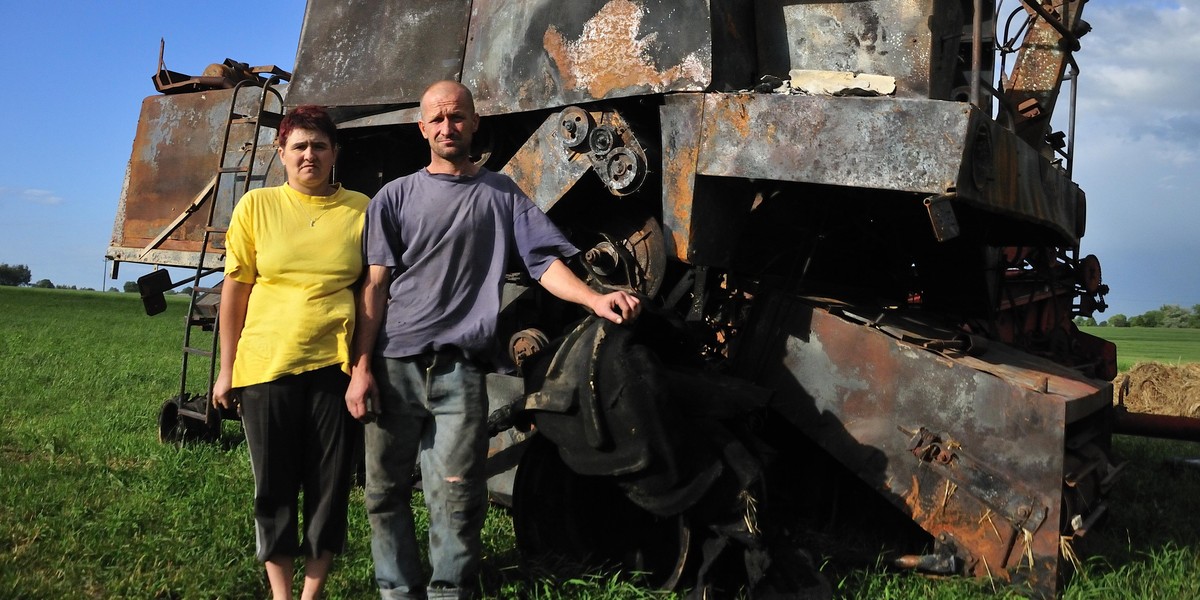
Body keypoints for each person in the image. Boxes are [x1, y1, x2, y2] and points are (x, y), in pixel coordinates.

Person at [345, 80, 641, 599]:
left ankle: (448, 593)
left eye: (456, 116)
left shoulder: (501, 194)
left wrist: (595, 299)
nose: (446, 126)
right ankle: (396, 592)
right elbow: (374, 287)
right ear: (422, 128)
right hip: (394, 365)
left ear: (475, 122)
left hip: (459, 370)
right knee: (384, 493)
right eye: (436, 118)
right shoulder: (394, 197)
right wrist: (360, 366)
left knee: (457, 496)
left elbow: (543, 263)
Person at [212, 104, 370, 600]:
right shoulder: (255, 208)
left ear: (335, 153)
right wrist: (226, 370)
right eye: (299, 146)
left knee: (330, 487)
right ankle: (282, 595)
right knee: (273, 488)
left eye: (319, 146)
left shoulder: (362, 209)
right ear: (280, 153)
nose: (309, 155)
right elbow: (234, 292)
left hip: (333, 366)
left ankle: (311, 594)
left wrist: (363, 366)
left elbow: (370, 293)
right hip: (265, 367)